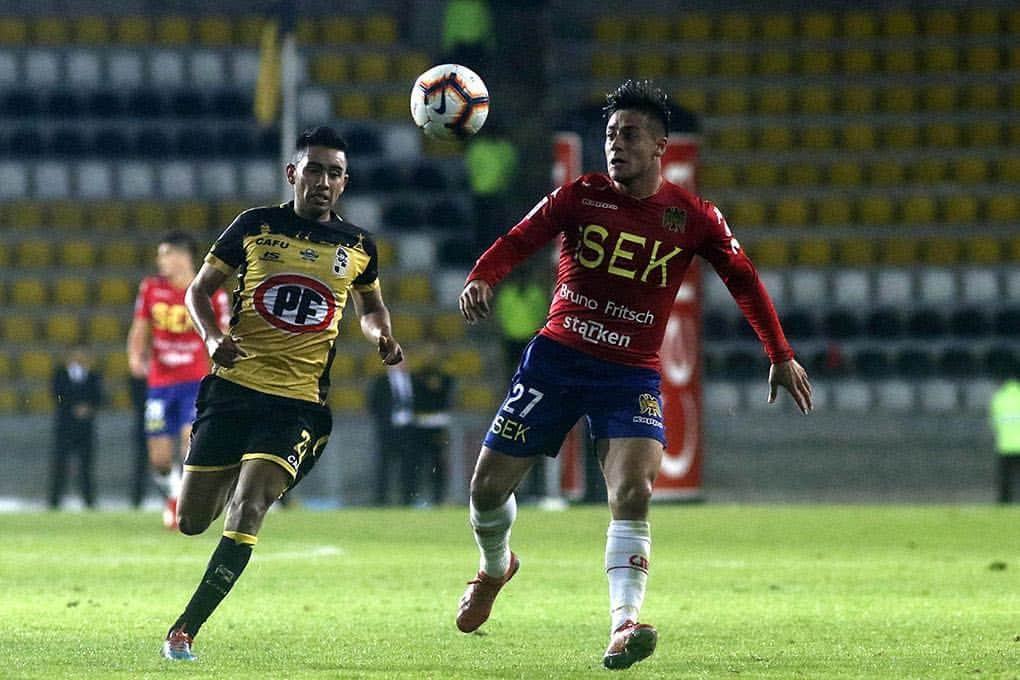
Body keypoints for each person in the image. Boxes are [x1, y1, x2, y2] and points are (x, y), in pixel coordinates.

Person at [455, 80, 813, 670]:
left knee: (633, 491)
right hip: (557, 360)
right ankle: (496, 567)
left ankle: (624, 625)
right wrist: (482, 276)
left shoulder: (692, 216)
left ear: (660, 148)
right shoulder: (579, 195)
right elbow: (518, 240)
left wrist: (778, 352)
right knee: (486, 490)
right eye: (610, 136)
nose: (615, 146)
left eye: (629, 136)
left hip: (630, 374)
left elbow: (742, 278)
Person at [160, 126, 403, 661]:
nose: (323, 181)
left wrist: (381, 335)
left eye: (334, 172)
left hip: (298, 403)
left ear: (345, 182)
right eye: (313, 169)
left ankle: (184, 629)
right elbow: (198, 290)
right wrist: (213, 338)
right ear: (293, 173)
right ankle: (230, 472)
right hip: (232, 389)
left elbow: (372, 308)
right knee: (192, 520)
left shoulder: (358, 245)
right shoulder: (254, 225)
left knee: (248, 509)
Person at [127, 231, 230, 528]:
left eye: (165, 254)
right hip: (160, 383)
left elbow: (220, 338)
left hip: (195, 381)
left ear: (182, 256)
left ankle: (187, 503)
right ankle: (174, 497)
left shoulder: (212, 295)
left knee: (189, 440)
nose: (160, 261)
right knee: (159, 457)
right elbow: (140, 328)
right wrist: (136, 357)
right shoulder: (151, 289)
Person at [49, 345, 103, 509]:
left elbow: (100, 397)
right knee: (60, 465)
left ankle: (89, 501)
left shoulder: (93, 376)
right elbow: (55, 395)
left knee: (87, 466)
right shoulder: (60, 374)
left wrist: (89, 409)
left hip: (85, 429)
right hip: (65, 427)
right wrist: (73, 408)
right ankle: (54, 501)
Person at [408, 341, 455, 506]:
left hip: (437, 425)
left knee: (438, 465)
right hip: (420, 425)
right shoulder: (416, 376)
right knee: (418, 464)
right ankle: (414, 498)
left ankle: (438, 498)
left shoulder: (446, 376)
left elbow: (448, 398)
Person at [368, 364, 414, 505]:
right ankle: (381, 500)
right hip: (388, 430)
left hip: (407, 429)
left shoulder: (412, 379)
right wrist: (383, 422)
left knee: (408, 466)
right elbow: (373, 404)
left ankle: (407, 499)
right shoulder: (381, 381)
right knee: (384, 465)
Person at [990, 378, 1020, 503]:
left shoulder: (999, 398)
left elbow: (995, 422)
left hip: (1005, 445)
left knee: (1005, 476)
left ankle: (1005, 501)